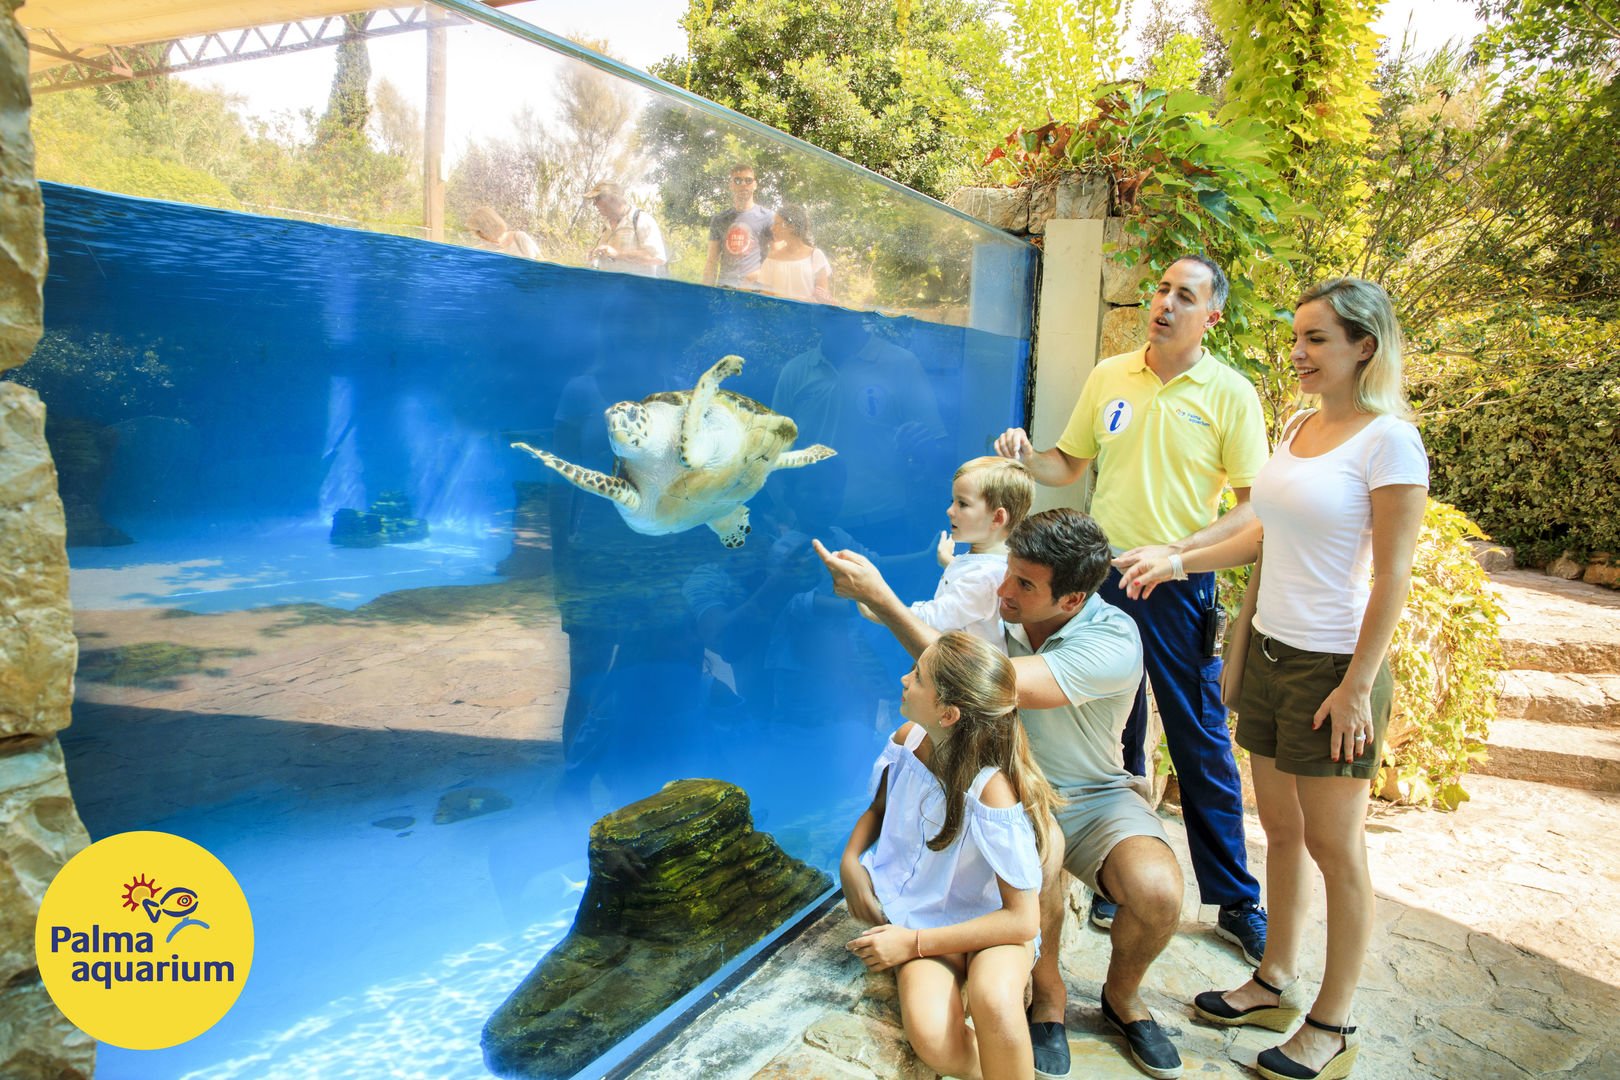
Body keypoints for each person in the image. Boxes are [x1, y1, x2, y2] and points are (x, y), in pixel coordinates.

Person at [1118, 279, 1428, 1080]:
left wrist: (1356, 686)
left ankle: (1333, 1021)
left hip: (1334, 668)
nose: (1298, 353)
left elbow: (1393, 575)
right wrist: (1193, 580)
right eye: (1297, 337)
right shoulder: (1300, 427)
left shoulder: (1390, 442)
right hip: (1273, 655)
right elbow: (1264, 537)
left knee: (1335, 847)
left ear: (1365, 345)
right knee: (1282, 834)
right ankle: (1274, 978)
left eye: (1316, 339)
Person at [819, 509, 1189, 1080]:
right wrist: (869, 596)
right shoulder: (1000, 603)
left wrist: (883, 601)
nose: (1003, 590)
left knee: (1158, 891)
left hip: (1090, 793)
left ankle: (1123, 998)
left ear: (1071, 600)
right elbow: (935, 635)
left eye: (1024, 584)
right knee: (1039, 853)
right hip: (1007, 784)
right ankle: (1048, 999)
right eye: (1008, 572)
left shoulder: (1113, 639)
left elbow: (976, 685)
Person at [993, 254, 1270, 964]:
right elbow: (1066, 464)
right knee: (1116, 735)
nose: (1165, 303)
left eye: (1185, 296)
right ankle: (1112, 873)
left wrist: (1177, 555)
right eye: (1162, 290)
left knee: (1199, 739)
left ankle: (1237, 900)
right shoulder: (1110, 375)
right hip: (1103, 580)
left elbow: (1254, 509)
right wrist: (1026, 455)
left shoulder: (1231, 394)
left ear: (1211, 317)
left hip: (1177, 584)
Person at [842, 631, 1061, 1080]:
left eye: (918, 676)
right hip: (923, 915)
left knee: (995, 1001)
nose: (904, 679)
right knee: (933, 1039)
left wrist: (911, 944)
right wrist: (850, 861)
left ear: (948, 714)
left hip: (990, 926)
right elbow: (879, 808)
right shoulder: (907, 740)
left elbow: (1022, 920)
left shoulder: (991, 792)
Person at [878, 456, 1034, 647]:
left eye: (962, 504)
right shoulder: (991, 565)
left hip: (963, 666)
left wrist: (882, 608)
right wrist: (949, 561)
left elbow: (934, 618)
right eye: (953, 501)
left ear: (997, 518)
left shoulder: (985, 578)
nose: (949, 511)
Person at [703, 163, 774, 287]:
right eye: (737, 180)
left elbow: (777, 258)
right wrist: (704, 293)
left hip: (753, 290)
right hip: (724, 289)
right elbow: (711, 261)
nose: (743, 184)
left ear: (755, 185)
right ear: (731, 185)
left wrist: (755, 279)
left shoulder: (768, 217)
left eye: (748, 180)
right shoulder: (719, 219)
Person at [745, 203, 832, 302]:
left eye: (776, 224)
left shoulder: (815, 255)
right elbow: (766, 298)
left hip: (807, 311)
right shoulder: (772, 259)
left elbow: (822, 298)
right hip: (779, 312)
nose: (772, 228)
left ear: (791, 226)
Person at [584, 181, 667, 277]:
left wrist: (618, 254)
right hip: (610, 284)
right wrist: (595, 254)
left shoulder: (642, 220)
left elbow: (657, 258)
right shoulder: (605, 226)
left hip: (637, 285)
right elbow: (608, 254)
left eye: (597, 199)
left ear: (612, 199)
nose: (594, 204)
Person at [467, 206, 542, 260]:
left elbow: (539, 261)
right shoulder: (481, 249)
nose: (478, 235)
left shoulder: (519, 237)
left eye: (478, 231)